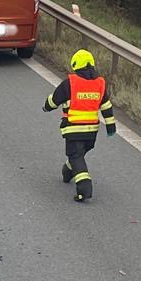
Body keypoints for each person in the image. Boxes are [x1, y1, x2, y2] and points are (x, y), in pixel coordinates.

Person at [43, 48, 116, 202]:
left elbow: (54, 100)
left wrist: (46, 107)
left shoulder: (71, 83)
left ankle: (84, 188)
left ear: (76, 65)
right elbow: (107, 107)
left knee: (76, 156)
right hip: (92, 132)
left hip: (74, 129)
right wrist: (111, 127)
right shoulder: (100, 84)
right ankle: (67, 171)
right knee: (78, 155)